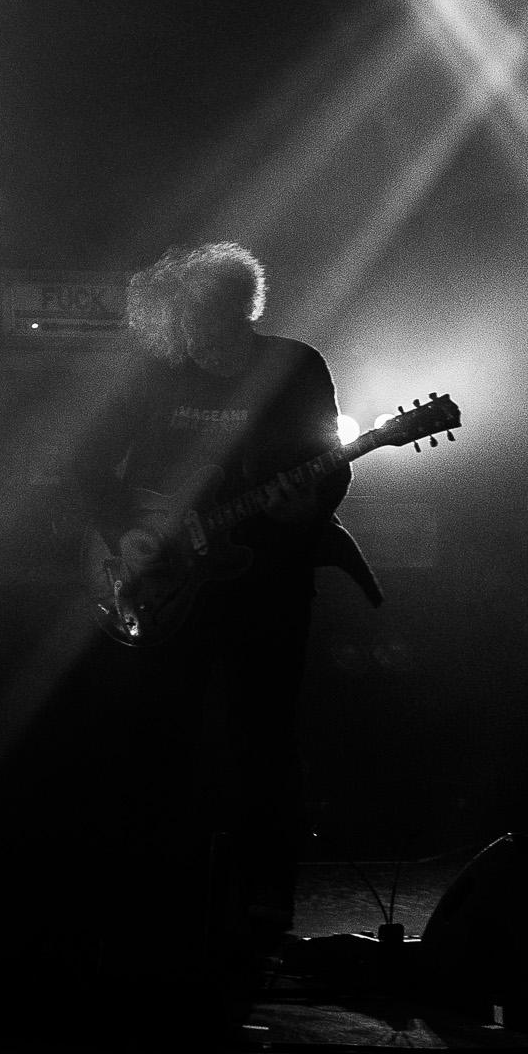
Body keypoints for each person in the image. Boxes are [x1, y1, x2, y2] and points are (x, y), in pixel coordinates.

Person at [100, 240, 350, 999]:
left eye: (220, 332)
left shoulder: (296, 367)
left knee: (264, 741)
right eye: (192, 336)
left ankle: (266, 907)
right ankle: (157, 896)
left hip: (267, 584)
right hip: (170, 584)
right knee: (157, 738)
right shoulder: (154, 375)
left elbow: (329, 463)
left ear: (247, 311)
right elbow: (85, 470)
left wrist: (311, 500)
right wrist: (127, 534)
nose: (207, 350)